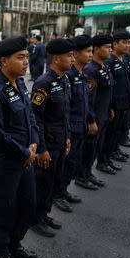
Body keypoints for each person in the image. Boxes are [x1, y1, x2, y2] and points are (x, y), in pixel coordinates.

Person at [0, 36, 38, 258]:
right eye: (20, 57)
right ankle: (2, 251)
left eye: (27, 56)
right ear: (4, 61)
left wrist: (34, 142)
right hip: (6, 162)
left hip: (26, 158)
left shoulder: (21, 84)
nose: (26, 61)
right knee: (4, 207)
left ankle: (15, 243)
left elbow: (30, 116)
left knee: (28, 204)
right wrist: (25, 152)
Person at [30, 38, 74, 237]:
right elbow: (37, 119)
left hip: (59, 141)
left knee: (53, 182)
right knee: (42, 184)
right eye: (69, 56)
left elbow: (64, 113)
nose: (72, 59)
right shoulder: (43, 83)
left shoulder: (64, 79)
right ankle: (35, 218)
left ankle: (44, 213)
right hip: (47, 145)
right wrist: (41, 149)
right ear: (56, 59)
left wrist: (67, 137)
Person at [53, 35, 93, 212]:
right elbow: (64, 109)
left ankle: (63, 190)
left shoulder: (82, 74)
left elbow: (85, 102)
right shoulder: (68, 76)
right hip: (70, 128)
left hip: (81, 125)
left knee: (74, 163)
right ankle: (57, 194)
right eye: (88, 51)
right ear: (75, 54)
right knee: (66, 164)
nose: (91, 55)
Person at [76, 35, 114, 188]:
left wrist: (110, 108)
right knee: (89, 148)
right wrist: (91, 120)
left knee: (96, 147)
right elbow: (89, 99)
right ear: (97, 49)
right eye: (107, 47)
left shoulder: (104, 67)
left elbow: (107, 92)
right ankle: (81, 175)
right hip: (95, 117)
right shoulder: (91, 70)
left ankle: (88, 172)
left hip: (104, 115)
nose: (110, 50)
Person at [98, 31, 130, 174]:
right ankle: (102, 161)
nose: (127, 45)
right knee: (109, 134)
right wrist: (111, 107)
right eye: (124, 42)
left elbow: (126, 83)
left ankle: (109, 157)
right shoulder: (109, 62)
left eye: (128, 42)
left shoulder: (124, 59)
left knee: (117, 132)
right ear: (115, 44)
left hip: (124, 104)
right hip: (114, 105)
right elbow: (109, 88)